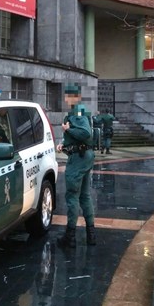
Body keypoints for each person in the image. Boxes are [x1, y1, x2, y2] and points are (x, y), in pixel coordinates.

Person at [56, 83, 96, 248]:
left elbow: (85, 133)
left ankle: (70, 237)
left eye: (68, 96)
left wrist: (68, 129)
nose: (66, 99)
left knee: (72, 197)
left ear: (74, 97)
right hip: (85, 156)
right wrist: (63, 146)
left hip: (78, 160)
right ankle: (91, 236)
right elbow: (80, 137)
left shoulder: (77, 110)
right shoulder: (80, 110)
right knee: (85, 196)